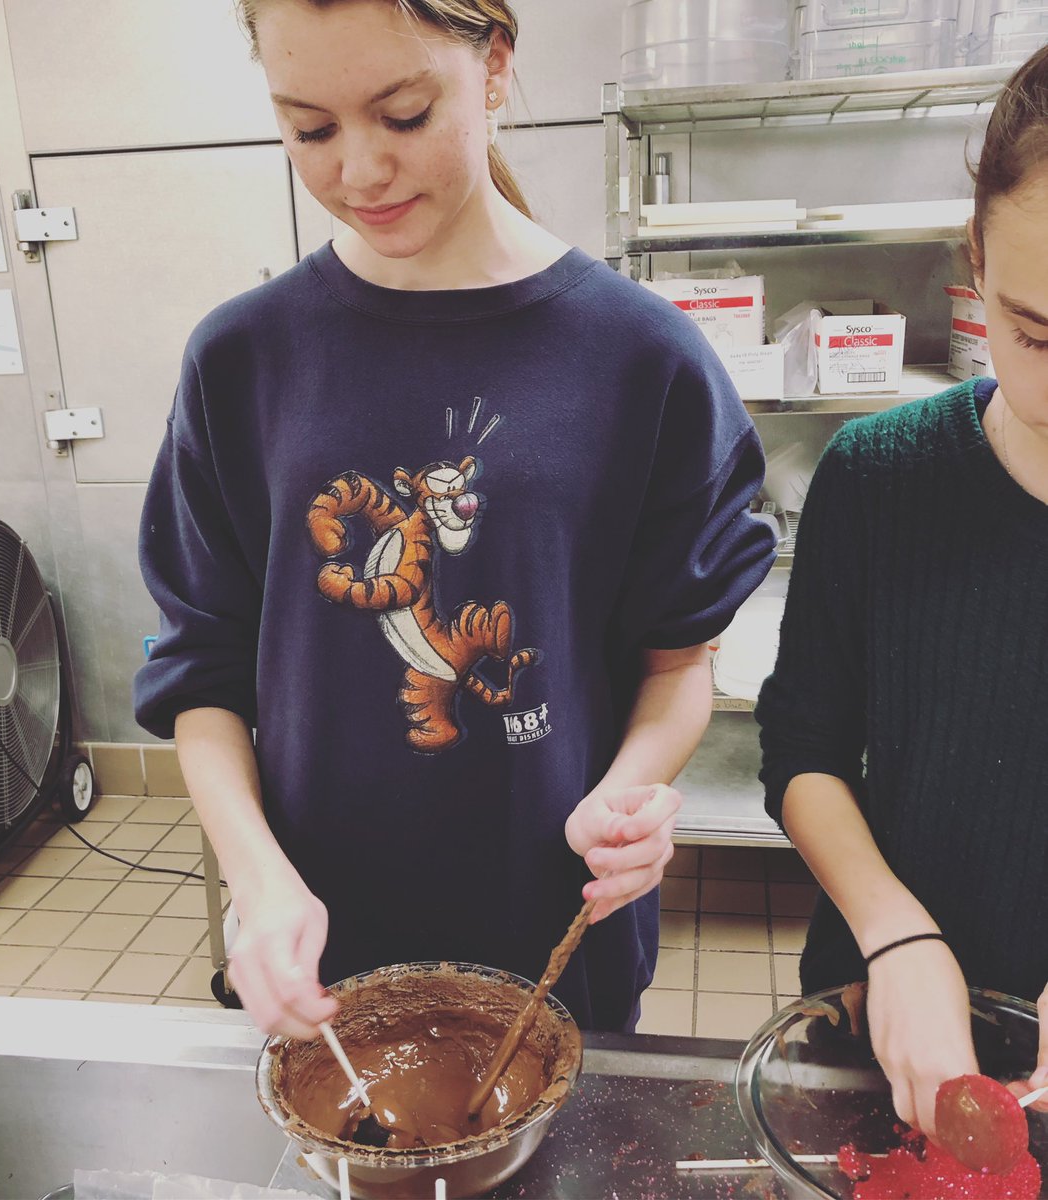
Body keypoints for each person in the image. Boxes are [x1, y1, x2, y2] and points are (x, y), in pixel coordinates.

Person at [134, 0, 775, 1039]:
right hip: (322, 942)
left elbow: (676, 665)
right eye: (310, 129)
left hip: (556, 936)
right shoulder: (242, 360)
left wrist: (622, 802)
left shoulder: (642, 361)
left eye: (401, 114)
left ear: (494, 69)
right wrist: (256, 882)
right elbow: (200, 671)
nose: (358, 172)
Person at [756, 44, 1048, 1143]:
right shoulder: (877, 476)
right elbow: (802, 748)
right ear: (972, 260)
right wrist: (892, 932)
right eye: (1036, 335)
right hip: (874, 1013)